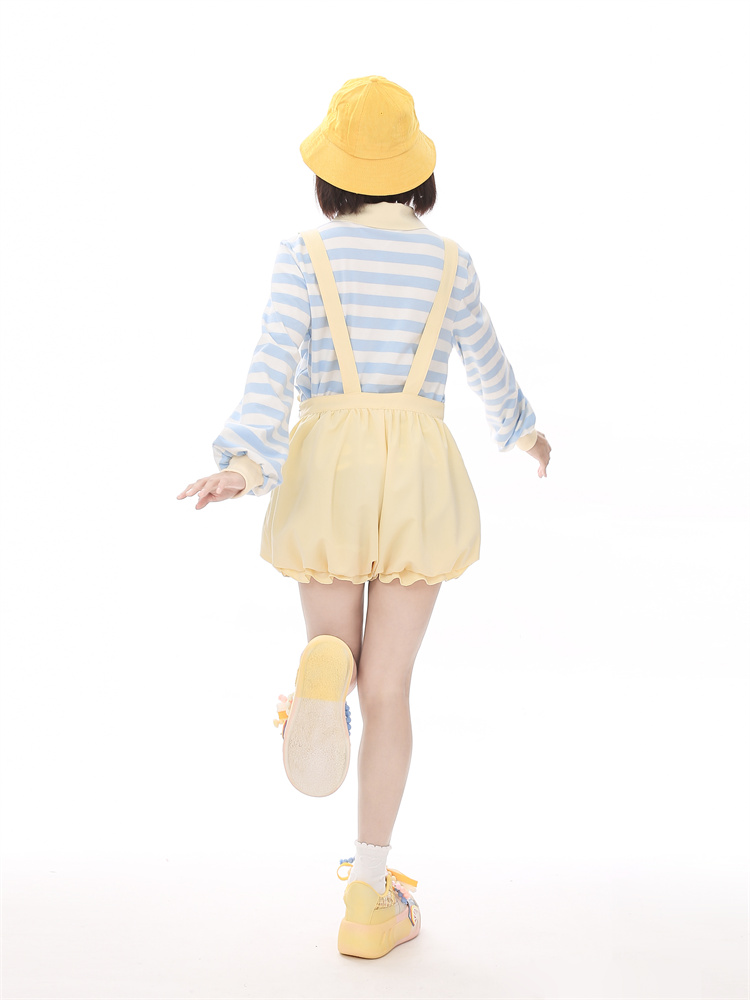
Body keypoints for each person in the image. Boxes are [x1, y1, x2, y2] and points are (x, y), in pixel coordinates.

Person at [176, 74, 551, 959]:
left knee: (337, 653)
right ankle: (368, 895)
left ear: (330, 173)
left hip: (328, 469)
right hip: (417, 473)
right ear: (416, 172)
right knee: (391, 691)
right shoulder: (450, 262)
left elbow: (272, 366)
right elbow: (488, 361)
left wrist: (243, 463)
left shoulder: (304, 254)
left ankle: (318, 686)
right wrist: (524, 431)